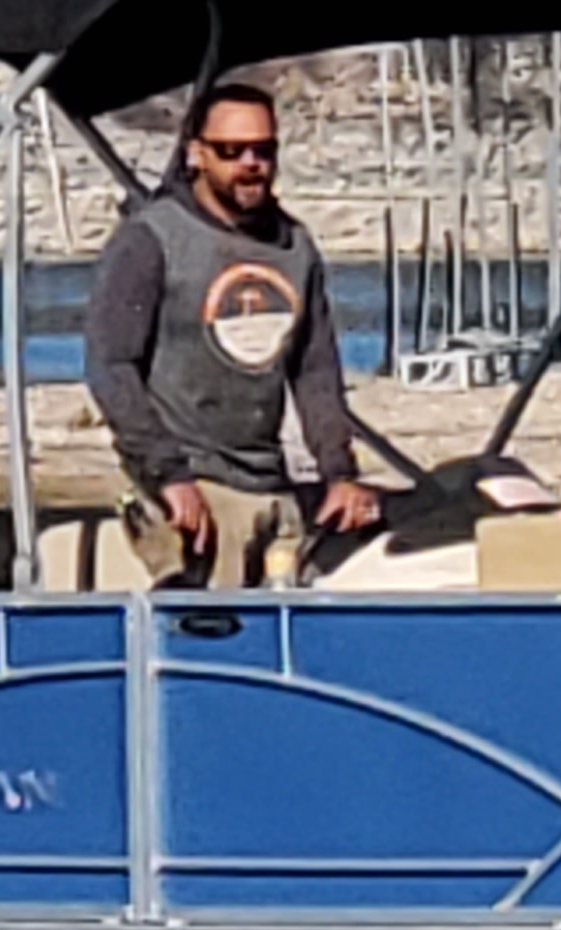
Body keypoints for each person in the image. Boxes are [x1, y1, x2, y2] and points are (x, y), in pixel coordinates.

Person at [83, 77, 379, 587]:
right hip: (191, 487)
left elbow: (315, 370)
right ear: (197, 154)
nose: (250, 164)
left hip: (270, 484)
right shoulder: (152, 239)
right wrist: (168, 477)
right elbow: (110, 366)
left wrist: (340, 474)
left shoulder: (294, 248)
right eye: (231, 151)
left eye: (263, 150)